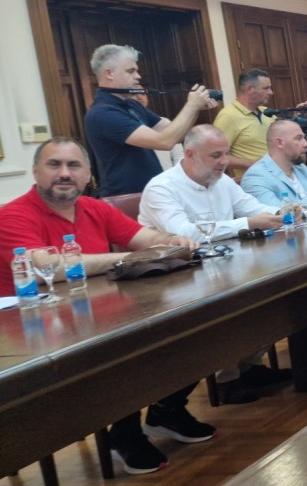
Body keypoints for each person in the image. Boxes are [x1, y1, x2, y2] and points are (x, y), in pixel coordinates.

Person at [0, 137, 208, 475]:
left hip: (93, 310)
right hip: (30, 332)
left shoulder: (94, 208)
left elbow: (146, 239)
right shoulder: (12, 215)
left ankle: (166, 412)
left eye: (74, 166)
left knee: (192, 326)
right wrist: (126, 257)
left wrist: (170, 240)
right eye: (54, 165)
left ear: (88, 175)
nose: (64, 173)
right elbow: (47, 269)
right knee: (127, 347)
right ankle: (124, 432)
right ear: (36, 171)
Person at [138, 125, 289, 404]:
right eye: (216, 155)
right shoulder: (161, 187)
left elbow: (251, 207)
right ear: (190, 154)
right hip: (175, 280)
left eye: (226, 154)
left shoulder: (222, 181)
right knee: (233, 300)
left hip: (224, 264)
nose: (225, 161)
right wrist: (246, 223)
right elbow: (185, 234)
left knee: (277, 291)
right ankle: (226, 379)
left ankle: (249, 366)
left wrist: (281, 211)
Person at [84, 44, 218, 197]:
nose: (138, 76)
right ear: (109, 74)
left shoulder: (131, 104)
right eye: (131, 71)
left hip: (150, 193)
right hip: (126, 198)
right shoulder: (103, 113)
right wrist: (191, 105)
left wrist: (196, 108)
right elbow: (165, 142)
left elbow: (175, 133)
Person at [212, 69, 278, 179]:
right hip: (255, 181)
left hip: (280, 177)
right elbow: (215, 155)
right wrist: (252, 163)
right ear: (249, 89)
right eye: (266, 88)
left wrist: (298, 116)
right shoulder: (228, 116)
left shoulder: (267, 112)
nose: (271, 92)